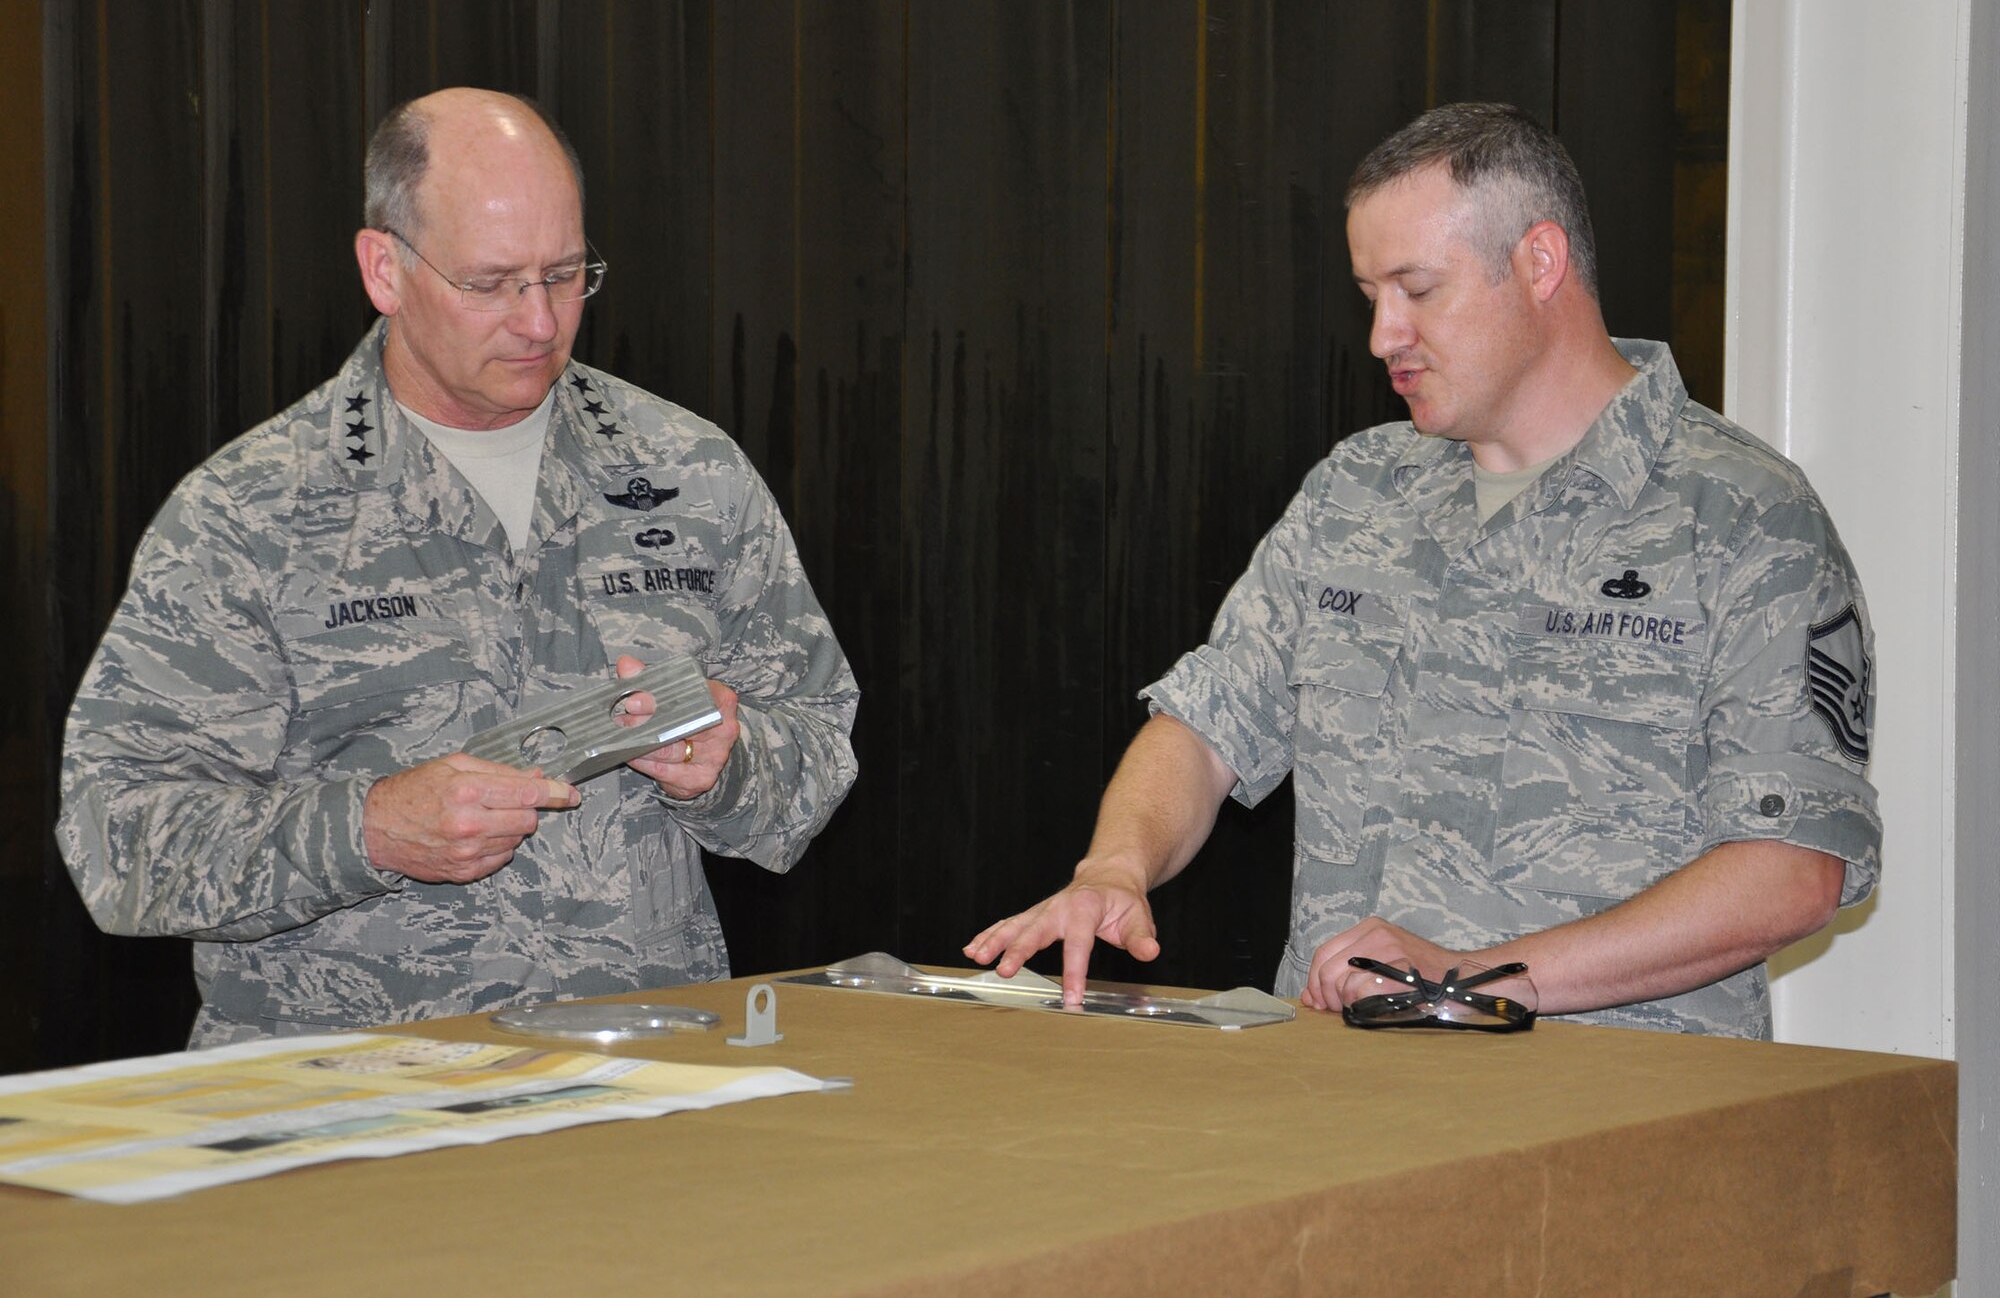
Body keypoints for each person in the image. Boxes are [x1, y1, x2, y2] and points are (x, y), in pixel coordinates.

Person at [966, 102, 1878, 1038]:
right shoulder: (1358, 491)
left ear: (1539, 264)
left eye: (1418, 289)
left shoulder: (1740, 514)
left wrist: (1480, 977)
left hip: (1616, 1118)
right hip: (1344, 1101)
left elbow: (1793, 867)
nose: (1382, 336)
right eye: (1371, 296)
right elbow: (1207, 728)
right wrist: (1115, 866)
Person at [60, 88, 858, 1047]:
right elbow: (119, 840)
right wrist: (368, 830)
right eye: (491, 283)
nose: (538, 322)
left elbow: (818, 745)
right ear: (384, 269)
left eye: (566, 275)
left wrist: (730, 767)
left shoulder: (687, 473)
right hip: (356, 1106)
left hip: (638, 1080)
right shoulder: (251, 513)